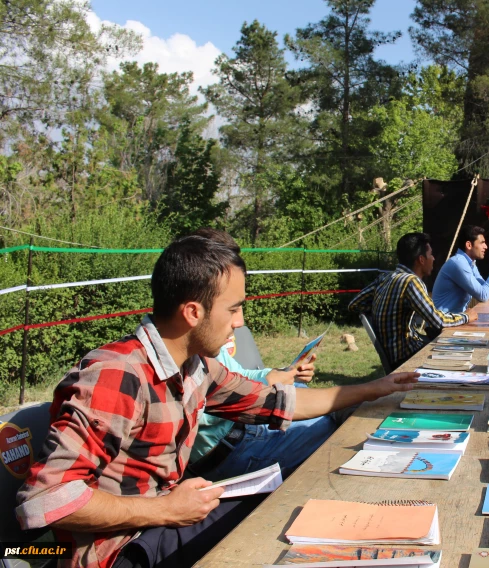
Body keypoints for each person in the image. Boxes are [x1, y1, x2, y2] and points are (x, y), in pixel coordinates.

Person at [15, 236, 418, 568]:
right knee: (281, 524)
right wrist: (166, 511)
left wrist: (373, 389)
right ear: (193, 311)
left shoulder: (195, 368)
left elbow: (276, 402)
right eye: (234, 308)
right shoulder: (117, 377)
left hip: (159, 526)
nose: (239, 322)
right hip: (118, 552)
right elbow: (44, 501)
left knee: (291, 508)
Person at [186, 228, 338, 483]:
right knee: (334, 425)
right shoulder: (194, 352)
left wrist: (278, 374)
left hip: (244, 431)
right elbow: (229, 398)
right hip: (231, 449)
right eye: (233, 307)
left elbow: (237, 376)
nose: (240, 321)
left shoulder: (206, 347)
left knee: (308, 392)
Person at [348, 232, 468, 371]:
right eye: (431, 255)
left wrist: (383, 309)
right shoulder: (410, 281)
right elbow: (438, 321)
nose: (434, 258)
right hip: (407, 357)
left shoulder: (385, 277)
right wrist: (466, 316)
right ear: (421, 259)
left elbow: (354, 304)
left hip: (395, 356)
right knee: (461, 354)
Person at [431, 224, 489, 314]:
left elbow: (488, 293)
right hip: (442, 324)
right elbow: (483, 295)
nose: (486, 247)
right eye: (482, 243)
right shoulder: (458, 263)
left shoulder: (470, 263)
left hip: (455, 321)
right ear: (469, 245)